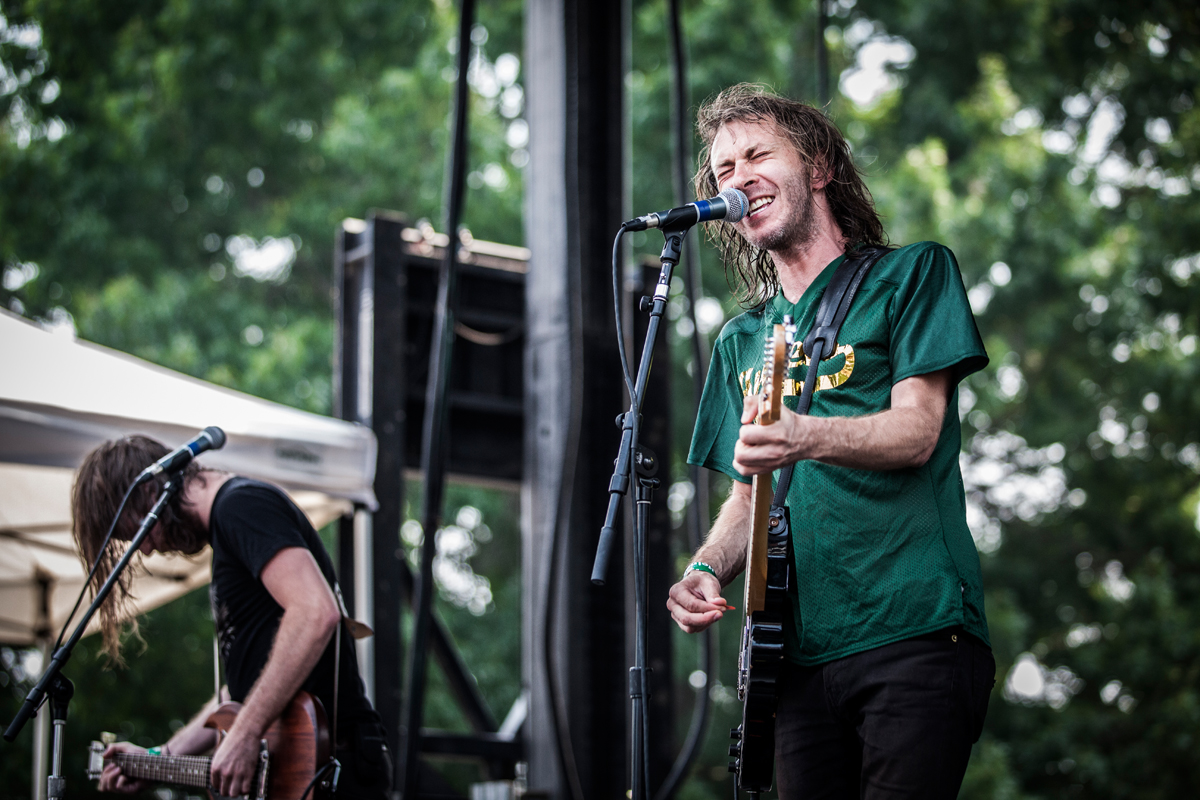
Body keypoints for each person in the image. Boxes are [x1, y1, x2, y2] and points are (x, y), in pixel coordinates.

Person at [665, 84, 995, 799]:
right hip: (794, 656)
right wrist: (705, 567)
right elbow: (751, 491)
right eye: (723, 170)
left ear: (817, 167)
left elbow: (917, 431)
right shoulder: (740, 341)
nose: (737, 177)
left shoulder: (912, 275)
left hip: (912, 628)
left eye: (757, 155)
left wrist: (801, 434)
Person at [72, 435, 391, 799]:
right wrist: (162, 757)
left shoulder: (241, 505)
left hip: (334, 768)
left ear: (151, 491)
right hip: (304, 770)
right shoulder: (227, 531)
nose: (146, 548)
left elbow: (315, 612)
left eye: (140, 530)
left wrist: (245, 733)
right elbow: (246, 689)